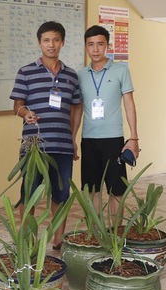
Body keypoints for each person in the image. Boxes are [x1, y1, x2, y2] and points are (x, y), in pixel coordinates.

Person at [10, 21, 82, 249]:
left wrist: (73, 139)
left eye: (56, 40)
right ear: (39, 42)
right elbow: (17, 105)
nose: (51, 45)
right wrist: (26, 113)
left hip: (62, 145)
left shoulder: (71, 75)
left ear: (63, 42)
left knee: (60, 194)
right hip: (33, 146)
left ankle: (58, 239)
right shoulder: (26, 72)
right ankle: (28, 239)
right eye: (46, 40)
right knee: (29, 193)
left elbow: (76, 107)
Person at [77, 25, 139, 213]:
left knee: (116, 190)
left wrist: (134, 137)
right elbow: (78, 109)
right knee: (92, 190)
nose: (95, 49)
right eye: (91, 44)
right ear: (86, 46)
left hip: (114, 140)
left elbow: (129, 104)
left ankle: (116, 236)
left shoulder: (121, 70)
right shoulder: (80, 75)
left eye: (100, 44)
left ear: (107, 46)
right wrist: (73, 139)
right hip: (88, 139)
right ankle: (95, 234)